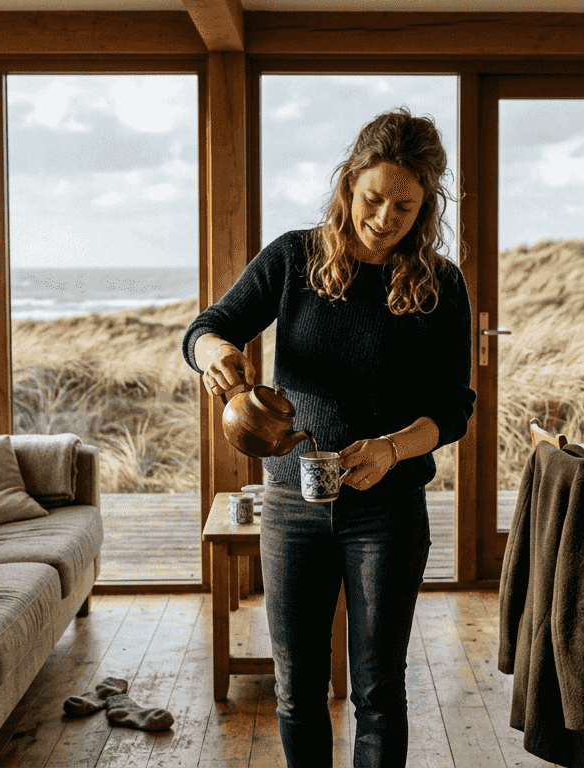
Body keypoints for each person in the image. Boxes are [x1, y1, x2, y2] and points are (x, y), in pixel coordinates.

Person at [182, 107, 475, 767]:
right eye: (373, 198)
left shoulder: (441, 283)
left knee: (378, 690)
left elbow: (454, 408)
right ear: (349, 183)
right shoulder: (294, 258)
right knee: (296, 688)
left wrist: (393, 447)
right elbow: (208, 327)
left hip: (388, 512)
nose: (384, 217)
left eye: (404, 206)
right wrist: (216, 354)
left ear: (426, 206)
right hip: (292, 507)